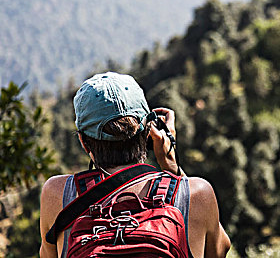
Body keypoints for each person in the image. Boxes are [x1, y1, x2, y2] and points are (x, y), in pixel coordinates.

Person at [39, 72, 230, 258]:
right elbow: (220, 249)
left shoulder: (58, 194)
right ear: (149, 131)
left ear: (83, 141)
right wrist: (171, 166)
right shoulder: (198, 194)